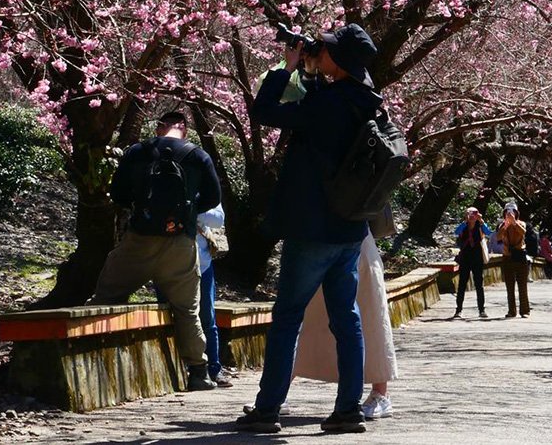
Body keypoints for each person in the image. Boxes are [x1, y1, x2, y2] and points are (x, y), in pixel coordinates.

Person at [236, 23, 382, 435]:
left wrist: (288, 67)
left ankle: (267, 410)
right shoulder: (367, 99)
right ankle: (348, 409)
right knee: (346, 319)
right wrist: (312, 69)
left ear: (339, 60)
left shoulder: (328, 105)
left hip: (313, 229)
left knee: (287, 318)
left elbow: (264, 111)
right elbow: (320, 100)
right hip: (350, 229)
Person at [93, 110, 221, 391]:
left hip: (139, 240)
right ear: (185, 131)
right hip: (180, 244)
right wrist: (187, 212)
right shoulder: (198, 156)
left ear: (159, 127)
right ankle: (199, 372)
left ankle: (99, 363)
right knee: (188, 310)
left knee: (107, 295)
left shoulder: (137, 152)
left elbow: (118, 193)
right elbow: (214, 198)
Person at [292, 234, 398, 420]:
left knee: (369, 312)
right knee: (308, 315)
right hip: (318, 234)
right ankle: (276, 392)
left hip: (356, 232)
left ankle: (380, 394)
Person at [162, 202, 235, 388]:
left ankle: (213, 369)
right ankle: (184, 369)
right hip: (170, 264)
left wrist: (193, 211)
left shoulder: (207, 187)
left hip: (203, 265)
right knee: (172, 317)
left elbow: (218, 220)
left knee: (207, 318)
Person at [453, 207, 491, 318]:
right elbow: (457, 231)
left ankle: (481, 310)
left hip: (477, 258)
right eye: (470, 214)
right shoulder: (464, 226)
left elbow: (488, 232)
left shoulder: (480, 226)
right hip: (465, 258)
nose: (472, 216)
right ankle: (458, 310)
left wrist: (482, 221)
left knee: (479, 284)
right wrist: (466, 221)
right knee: (462, 284)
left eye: (474, 214)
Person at [498, 202, 531, 318]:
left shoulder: (521, 223)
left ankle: (525, 311)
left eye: (513, 212)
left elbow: (523, 232)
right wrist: (506, 225)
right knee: (509, 286)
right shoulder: (502, 225)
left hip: (520, 255)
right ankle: (511, 311)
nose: (510, 214)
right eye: (507, 212)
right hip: (507, 257)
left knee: (522, 285)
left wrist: (514, 223)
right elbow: (498, 237)